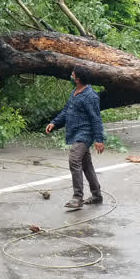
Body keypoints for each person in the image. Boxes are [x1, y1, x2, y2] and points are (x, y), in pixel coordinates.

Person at [46, 66, 105, 210]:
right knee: (86, 165)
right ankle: (97, 195)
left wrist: (99, 139)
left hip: (85, 134)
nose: (71, 77)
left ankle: (77, 197)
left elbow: (96, 118)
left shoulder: (90, 96)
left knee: (74, 159)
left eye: (72, 75)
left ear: (77, 79)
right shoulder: (75, 92)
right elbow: (66, 111)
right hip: (75, 132)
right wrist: (54, 122)